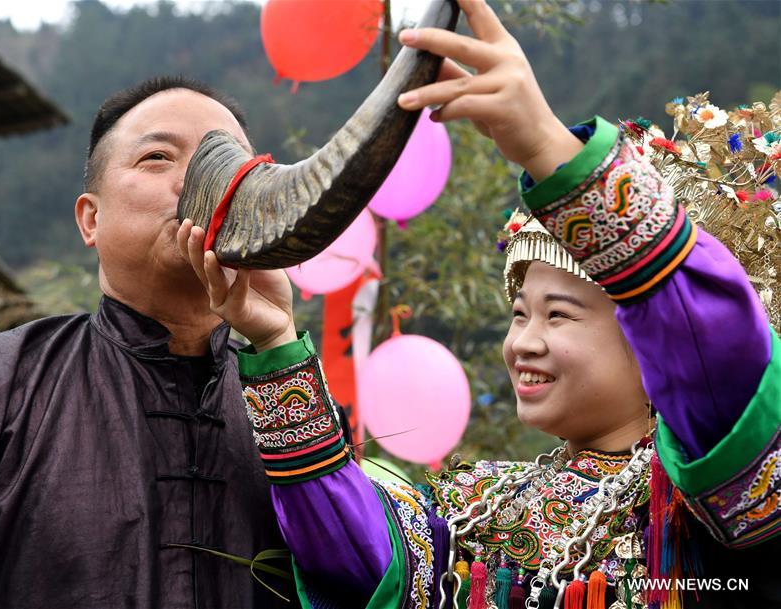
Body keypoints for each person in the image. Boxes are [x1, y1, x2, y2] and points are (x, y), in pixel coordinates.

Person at [177, 1, 781, 607]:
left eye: (559, 314)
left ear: (654, 344)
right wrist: (277, 341)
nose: (523, 342)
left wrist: (547, 147)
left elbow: (715, 349)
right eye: (520, 313)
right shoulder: (474, 509)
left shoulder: (709, 498)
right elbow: (356, 559)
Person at [0, 76, 296, 609]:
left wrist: (279, 341)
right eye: (158, 158)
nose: (200, 182)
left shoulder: (291, 402)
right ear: (91, 219)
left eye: (225, 163)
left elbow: (363, 576)